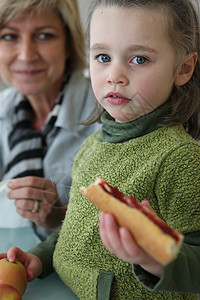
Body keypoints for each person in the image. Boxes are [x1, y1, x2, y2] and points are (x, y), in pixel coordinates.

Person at [1, 0, 200, 299]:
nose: (114, 75)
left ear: (183, 68)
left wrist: (155, 260)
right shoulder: (93, 144)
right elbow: (76, 226)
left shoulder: (181, 159)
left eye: (139, 59)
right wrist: (40, 258)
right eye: (103, 56)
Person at [0, 0, 101, 240]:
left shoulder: (108, 114)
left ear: (68, 43)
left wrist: (61, 217)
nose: (26, 55)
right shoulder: (3, 108)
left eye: (44, 35)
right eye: (9, 36)